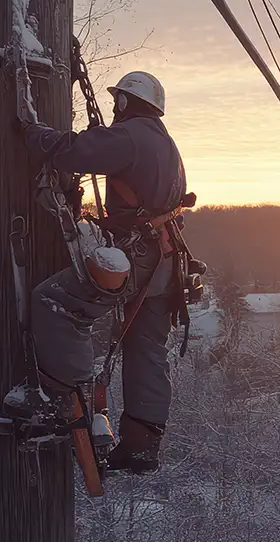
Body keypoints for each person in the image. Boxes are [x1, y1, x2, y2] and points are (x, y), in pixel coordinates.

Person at [17, 71, 186, 475]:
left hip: (139, 257)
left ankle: (66, 402)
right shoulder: (165, 144)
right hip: (166, 263)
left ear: (127, 102)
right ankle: (142, 444)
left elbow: (70, 152)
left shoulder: (131, 137)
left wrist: (31, 133)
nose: (113, 110)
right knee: (146, 345)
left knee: (57, 302)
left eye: (117, 103)